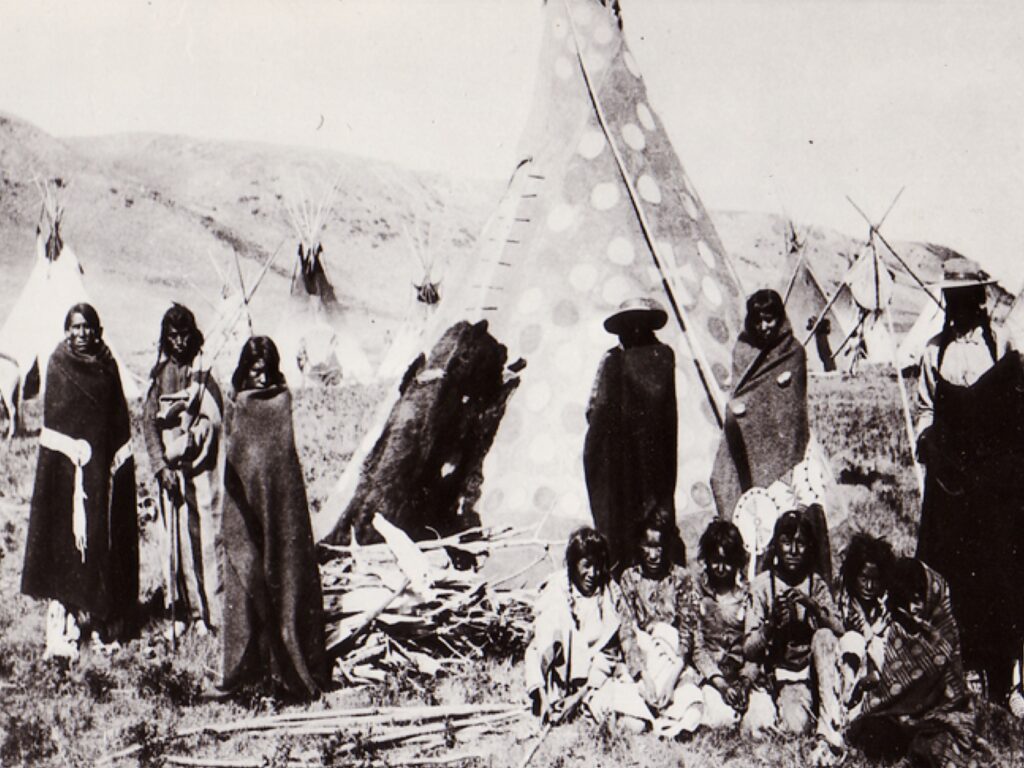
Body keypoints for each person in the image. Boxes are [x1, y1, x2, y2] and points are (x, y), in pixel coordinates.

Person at [914, 257, 1024, 704]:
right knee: (949, 579)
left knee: (1001, 578)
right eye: (953, 299)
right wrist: (928, 442)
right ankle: (956, 673)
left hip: (998, 489)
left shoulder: (1005, 348)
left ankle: (1004, 677)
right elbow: (925, 409)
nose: (961, 307)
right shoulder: (933, 351)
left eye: (968, 298)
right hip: (950, 490)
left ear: (982, 299)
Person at [21, 303, 137, 659]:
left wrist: (113, 461)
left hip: (99, 473)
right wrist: (72, 454)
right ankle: (64, 632)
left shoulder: (107, 364)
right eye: (75, 327)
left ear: (97, 330)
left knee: (99, 544)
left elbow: (117, 416)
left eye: (87, 327)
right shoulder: (58, 364)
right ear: (66, 329)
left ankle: (103, 622)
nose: (81, 334)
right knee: (67, 549)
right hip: (66, 476)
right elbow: (55, 423)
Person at [215, 336, 328, 700]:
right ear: (244, 369)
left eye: (266, 370)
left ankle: (289, 668)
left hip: (283, 512)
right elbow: (237, 463)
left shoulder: (282, 401)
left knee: (287, 580)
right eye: (254, 370)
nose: (261, 379)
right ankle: (250, 670)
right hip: (246, 512)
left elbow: (283, 464)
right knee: (249, 582)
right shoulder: (238, 406)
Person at [847, 558, 979, 767]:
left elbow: (953, 693)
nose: (912, 608)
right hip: (899, 718)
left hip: (938, 720)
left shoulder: (945, 631)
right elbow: (887, 689)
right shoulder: (899, 628)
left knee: (933, 746)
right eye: (906, 601)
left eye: (918, 600)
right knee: (869, 732)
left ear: (931, 596)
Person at [142, 304, 223, 637]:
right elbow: (148, 422)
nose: (178, 341)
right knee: (171, 541)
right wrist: (162, 465)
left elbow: (215, 420)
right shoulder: (158, 377)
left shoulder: (203, 374)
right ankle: (179, 610)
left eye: (184, 334)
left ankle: (207, 612)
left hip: (201, 471)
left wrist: (190, 444)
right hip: (170, 474)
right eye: (172, 335)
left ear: (193, 335)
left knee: (202, 540)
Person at [584, 297, 677, 575]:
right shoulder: (612, 360)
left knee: (652, 516)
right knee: (617, 516)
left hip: (653, 454)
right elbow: (596, 408)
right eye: (629, 324)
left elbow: (664, 409)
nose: (635, 330)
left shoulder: (661, 357)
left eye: (640, 323)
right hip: (618, 457)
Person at [711, 289, 816, 525]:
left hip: (781, 442)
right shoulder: (743, 349)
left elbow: (794, 411)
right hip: (748, 432)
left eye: (770, 319)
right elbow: (740, 394)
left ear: (780, 318)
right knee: (724, 478)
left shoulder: (794, 352)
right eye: (758, 320)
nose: (764, 326)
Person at [743, 510, 844, 742]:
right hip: (782, 675)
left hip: (815, 673)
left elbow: (839, 631)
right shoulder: (762, 585)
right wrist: (771, 625)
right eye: (786, 542)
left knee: (825, 635)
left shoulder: (815, 583)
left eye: (800, 543)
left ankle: (828, 724)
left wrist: (814, 608)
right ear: (776, 545)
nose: (793, 551)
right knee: (791, 727)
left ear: (809, 547)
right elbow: (749, 648)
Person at [805, 533, 896, 766]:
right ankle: (828, 732)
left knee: (857, 641)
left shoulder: (887, 609)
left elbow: (884, 660)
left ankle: (848, 730)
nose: (868, 586)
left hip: (871, 690)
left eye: (875, 580)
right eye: (863, 578)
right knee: (824, 636)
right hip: (836, 684)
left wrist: (866, 633)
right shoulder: (838, 597)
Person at [613, 506, 704, 738]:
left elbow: (687, 631)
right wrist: (644, 676)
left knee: (693, 706)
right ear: (638, 546)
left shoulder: (681, 578)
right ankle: (653, 717)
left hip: (673, 662)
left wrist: (672, 678)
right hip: (643, 662)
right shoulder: (629, 579)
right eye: (647, 547)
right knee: (632, 721)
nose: (653, 555)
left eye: (659, 547)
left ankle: (670, 721)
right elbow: (627, 632)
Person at [525, 527, 624, 725]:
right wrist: (543, 696)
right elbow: (540, 645)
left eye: (597, 566)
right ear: (573, 563)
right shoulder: (557, 589)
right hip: (557, 674)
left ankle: (580, 702)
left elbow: (609, 654)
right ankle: (549, 699)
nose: (592, 574)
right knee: (551, 620)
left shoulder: (608, 593)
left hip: (592, 677)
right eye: (586, 565)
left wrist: (578, 697)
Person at [691, 519, 760, 730]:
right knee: (722, 720)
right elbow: (697, 648)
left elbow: (755, 650)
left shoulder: (748, 595)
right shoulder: (696, 593)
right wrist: (720, 684)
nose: (721, 568)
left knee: (758, 724)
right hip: (711, 678)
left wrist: (746, 683)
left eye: (728, 561)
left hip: (742, 678)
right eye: (715, 560)